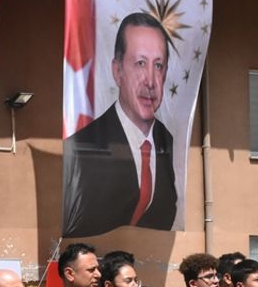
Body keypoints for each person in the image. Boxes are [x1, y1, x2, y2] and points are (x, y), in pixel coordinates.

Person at [61, 12, 177, 236]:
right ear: (117, 71)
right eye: (140, 63)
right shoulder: (82, 145)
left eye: (158, 66)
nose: (150, 81)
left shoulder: (166, 141)